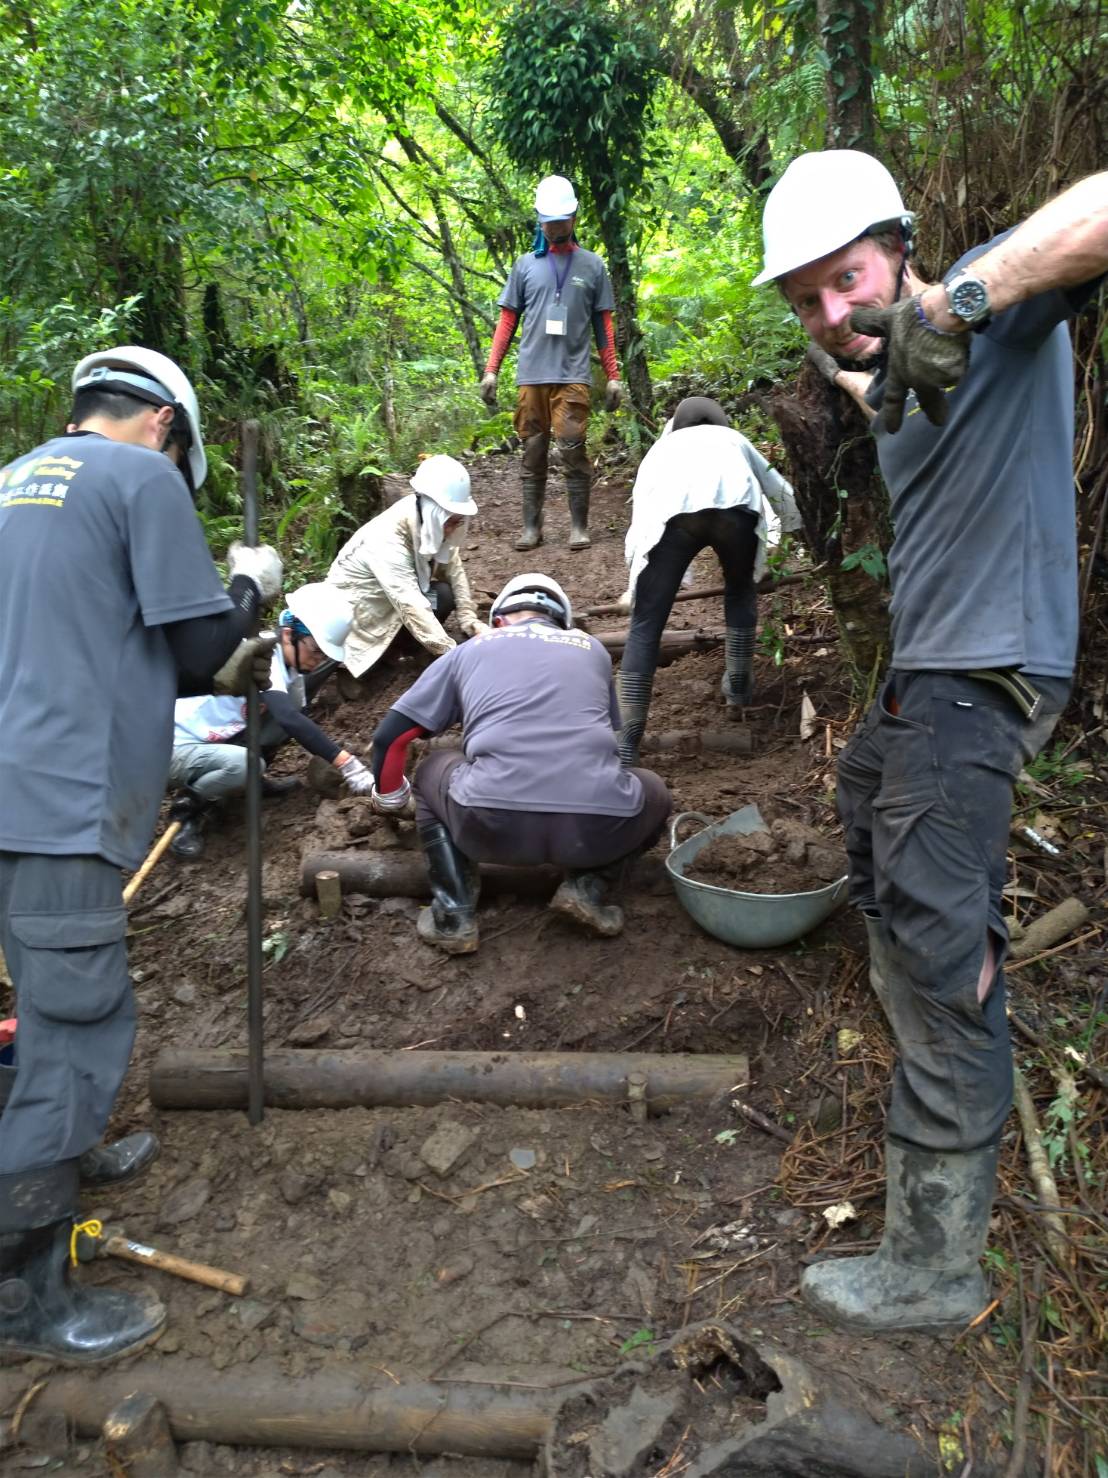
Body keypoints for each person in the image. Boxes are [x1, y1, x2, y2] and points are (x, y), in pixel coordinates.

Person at [754, 149, 1108, 1332]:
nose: (833, 310)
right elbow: (869, 381)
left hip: (983, 672)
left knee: (931, 912)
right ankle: (926, 988)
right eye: (804, 296)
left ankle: (934, 1258)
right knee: (870, 810)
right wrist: (840, 353)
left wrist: (955, 301)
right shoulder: (896, 376)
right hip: (929, 678)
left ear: (898, 245)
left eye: (847, 278)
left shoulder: (982, 309)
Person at [0, 346, 282, 1364]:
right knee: (76, 1030)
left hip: (12, 793)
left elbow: (121, 646)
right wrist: (249, 589)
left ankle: (48, 1163)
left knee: (30, 999)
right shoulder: (136, 479)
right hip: (60, 802)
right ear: (163, 423)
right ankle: (27, 1294)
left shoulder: (11, 486)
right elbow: (205, 650)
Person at [367, 573, 671, 954]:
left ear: (498, 619)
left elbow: (391, 738)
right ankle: (587, 887)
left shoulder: (473, 648)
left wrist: (391, 799)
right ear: (563, 622)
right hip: (592, 830)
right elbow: (612, 745)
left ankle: (454, 915)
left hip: (490, 825)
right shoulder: (592, 649)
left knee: (433, 767)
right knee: (654, 791)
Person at [616, 396, 802, 765]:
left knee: (646, 625)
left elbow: (643, 515)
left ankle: (626, 741)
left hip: (672, 521)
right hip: (737, 511)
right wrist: (792, 537)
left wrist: (635, 580)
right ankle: (737, 689)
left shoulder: (660, 449)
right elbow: (780, 492)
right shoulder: (734, 440)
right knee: (739, 591)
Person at [169, 582, 376, 859]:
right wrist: (347, 764)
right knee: (252, 758)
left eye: (324, 654)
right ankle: (188, 810)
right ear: (288, 633)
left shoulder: (289, 663)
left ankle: (251, 781)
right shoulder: (263, 655)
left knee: (288, 716)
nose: (318, 660)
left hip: (219, 733)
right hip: (176, 745)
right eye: (315, 651)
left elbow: (291, 716)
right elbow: (288, 718)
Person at [479, 175, 622, 551]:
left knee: (572, 447)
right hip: (532, 375)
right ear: (540, 221)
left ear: (574, 217)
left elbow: (603, 323)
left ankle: (579, 526)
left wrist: (613, 376)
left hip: (572, 374)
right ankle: (532, 528)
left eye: (561, 219)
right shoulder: (524, 266)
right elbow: (508, 320)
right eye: (549, 220)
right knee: (533, 449)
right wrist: (492, 369)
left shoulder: (593, 266)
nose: (555, 226)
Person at [326, 455, 487, 683]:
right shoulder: (387, 539)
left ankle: (406, 647)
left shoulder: (430, 524)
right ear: (433, 511)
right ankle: (371, 664)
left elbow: (454, 568)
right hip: (362, 618)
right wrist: (454, 656)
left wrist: (470, 621)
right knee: (363, 659)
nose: (452, 529)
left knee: (442, 595)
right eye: (449, 522)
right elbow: (410, 604)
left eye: (458, 522)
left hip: (395, 605)